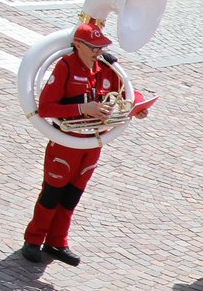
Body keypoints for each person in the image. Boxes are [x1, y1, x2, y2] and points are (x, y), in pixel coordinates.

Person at [21, 21, 151, 266]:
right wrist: (83, 107)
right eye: (93, 47)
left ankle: (57, 241)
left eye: (101, 47)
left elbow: (127, 91)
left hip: (92, 142)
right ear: (78, 45)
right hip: (66, 142)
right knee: (52, 192)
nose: (98, 52)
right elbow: (46, 107)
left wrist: (139, 105)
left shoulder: (105, 68)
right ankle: (33, 240)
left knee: (72, 195)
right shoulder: (65, 67)